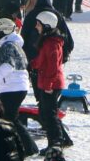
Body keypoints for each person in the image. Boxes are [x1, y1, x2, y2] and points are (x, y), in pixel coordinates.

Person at [29, 11, 67, 149]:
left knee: (49, 115)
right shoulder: (47, 41)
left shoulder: (51, 43)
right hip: (47, 82)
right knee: (46, 113)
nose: (36, 26)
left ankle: (55, 143)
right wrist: (32, 64)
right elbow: (41, 60)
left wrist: (49, 85)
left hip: (51, 83)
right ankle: (62, 140)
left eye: (38, 24)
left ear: (46, 25)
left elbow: (53, 66)